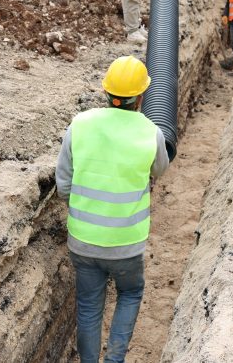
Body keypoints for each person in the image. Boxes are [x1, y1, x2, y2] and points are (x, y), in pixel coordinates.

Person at [55, 55, 169, 363]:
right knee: (130, 294)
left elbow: (63, 184)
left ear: (106, 92)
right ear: (141, 96)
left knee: (89, 306)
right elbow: (160, 169)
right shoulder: (151, 132)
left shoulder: (79, 124)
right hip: (126, 245)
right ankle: (115, 359)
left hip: (83, 240)